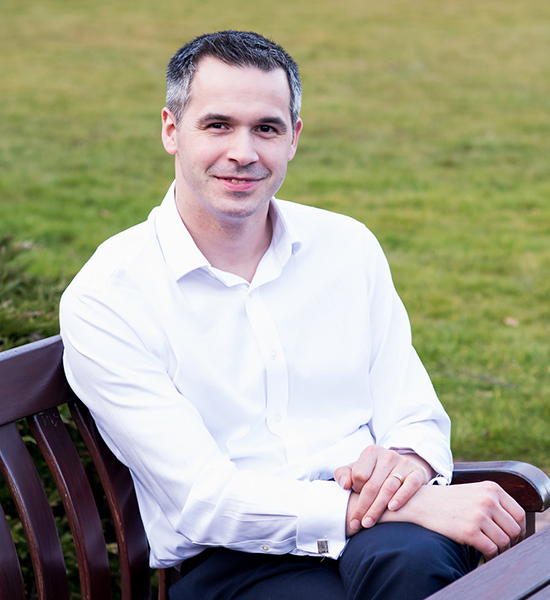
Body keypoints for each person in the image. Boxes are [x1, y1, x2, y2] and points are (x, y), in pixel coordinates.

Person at [60, 30, 525, 600]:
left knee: (411, 565)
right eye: (218, 125)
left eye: (267, 128)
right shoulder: (109, 297)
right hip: (235, 559)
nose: (244, 152)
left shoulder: (346, 247)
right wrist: (395, 505)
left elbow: (412, 411)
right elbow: (204, 500)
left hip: (389, 528)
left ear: (294, 138)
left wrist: (406, 464)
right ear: (171, 130)